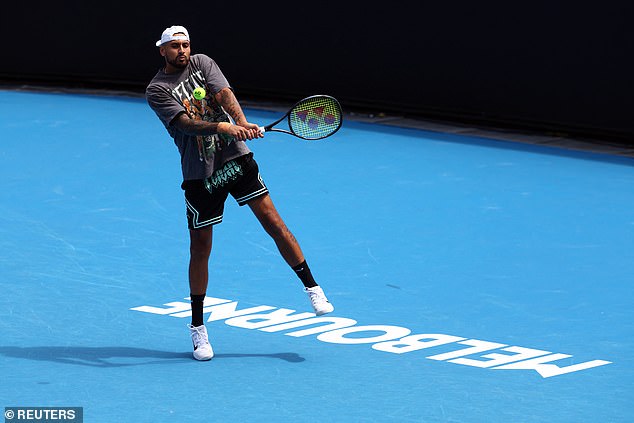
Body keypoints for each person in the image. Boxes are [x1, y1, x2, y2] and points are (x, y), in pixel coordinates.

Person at [145, 26, 334, 361]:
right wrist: (223, 127)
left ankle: (312, 287)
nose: (182, 51)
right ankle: (198, 329)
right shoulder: (157, 89)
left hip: (236, 159)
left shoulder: (203, 63)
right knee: (200, 247)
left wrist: (242, 124)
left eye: (186, 44)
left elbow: (224, 95)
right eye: (174, 46)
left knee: (274, 223)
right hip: (200, 175)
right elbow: (186, 124)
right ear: (162, 50)